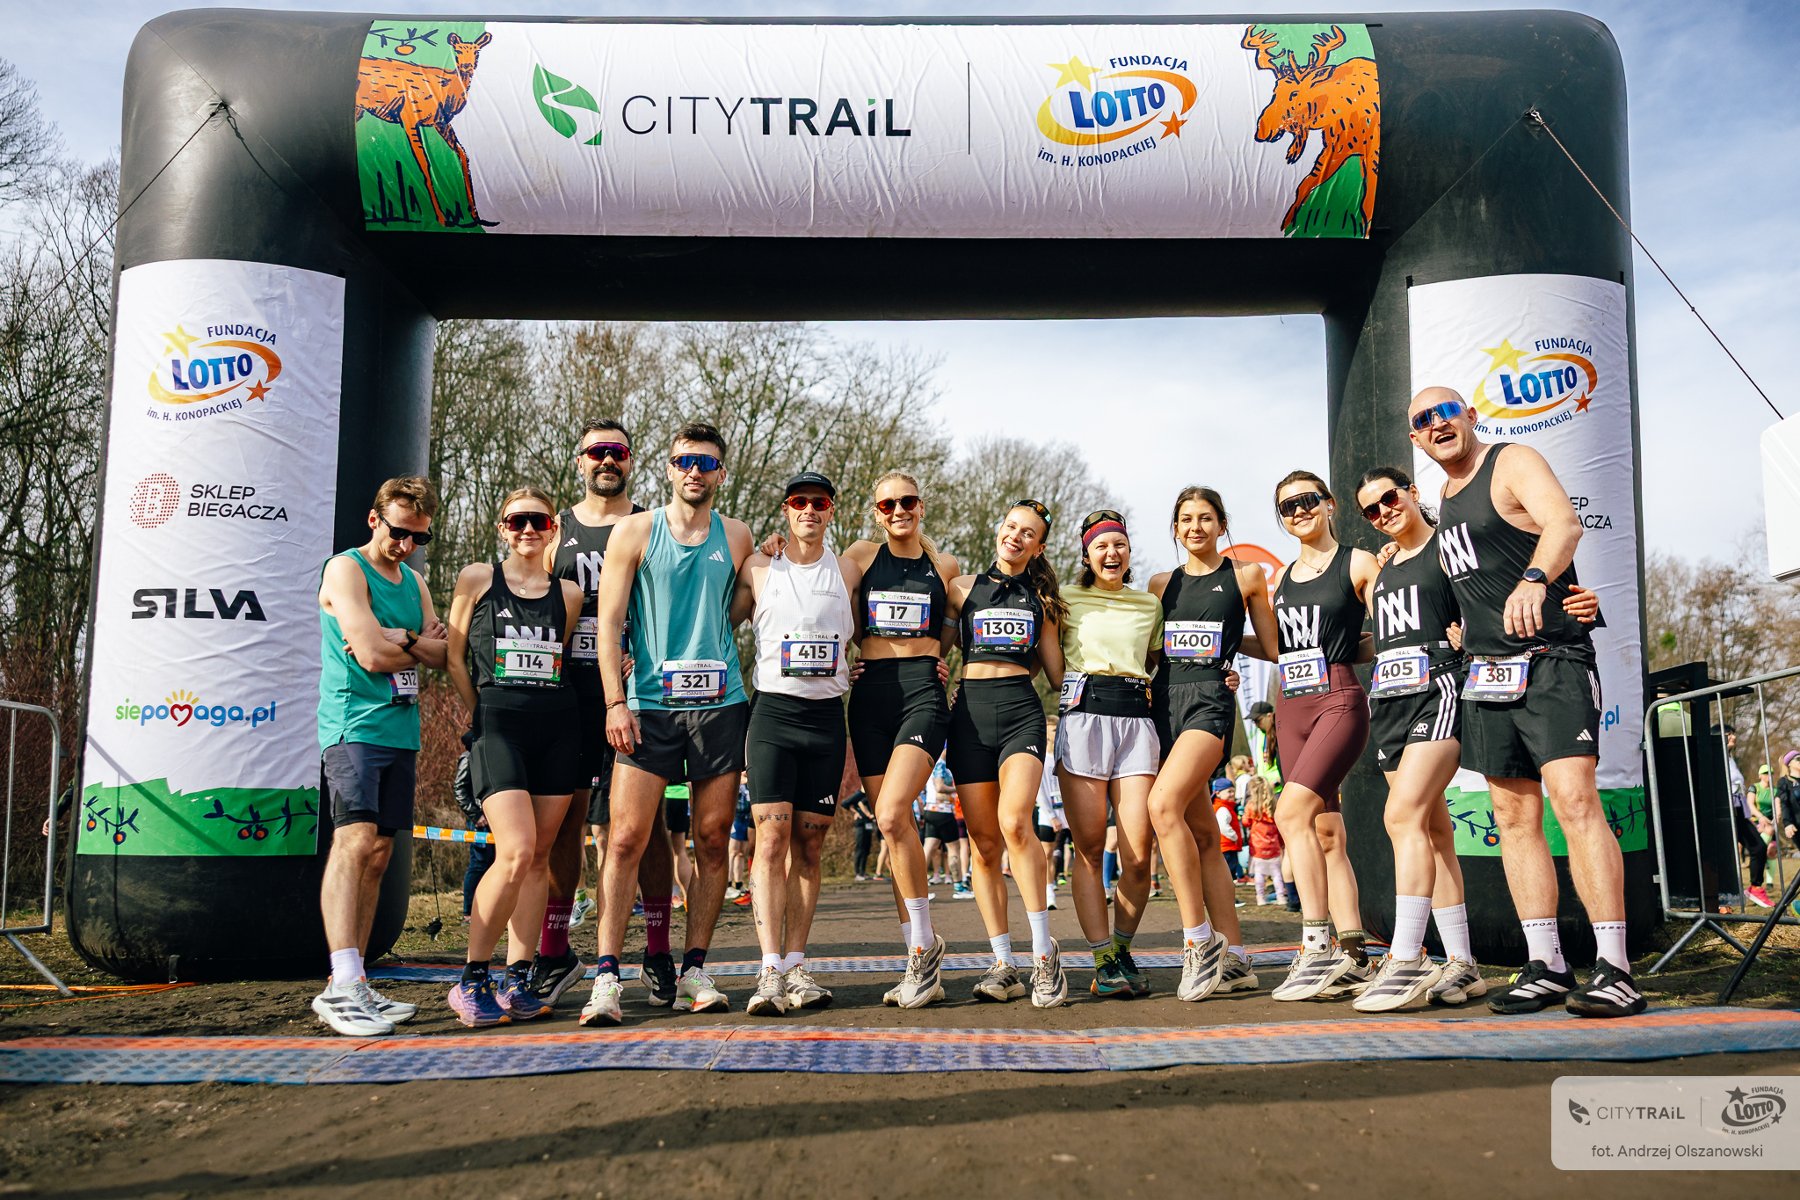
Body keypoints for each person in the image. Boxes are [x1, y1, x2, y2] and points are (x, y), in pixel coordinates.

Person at [1416, 385, 1644, 1017]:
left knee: (1575, 803)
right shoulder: (1442, 497)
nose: (1437, 424)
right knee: (1513, 819)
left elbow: (1564, 523)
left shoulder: (1510, 459)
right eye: (1422, 420)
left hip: (1551, 661)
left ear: (1470, 416)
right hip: (1488, 675)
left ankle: (1616, 968)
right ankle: (1545, 964)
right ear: (1416, 439)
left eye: (1445, 411)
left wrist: (1538, 581)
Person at [1354, 467, 1589, 1010]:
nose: (1384, 511)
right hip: (1389, 698)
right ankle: (1462, 964)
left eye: (1390, 498)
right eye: (1371, 509)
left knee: (1400, 818)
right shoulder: (1384, 567)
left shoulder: (1449, 548)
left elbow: (1500, 588)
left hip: (1438, 688)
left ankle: (1406, 958)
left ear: (1412, 493)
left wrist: (1578, 603)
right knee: (1434, 831)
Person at [580, 421, 754, 1026]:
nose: (694, 472)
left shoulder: (737, 536)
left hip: (719, 702)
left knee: (710, 842)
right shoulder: (634, 531)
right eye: (685, 461)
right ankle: (607, 976)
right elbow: (607, 626)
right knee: (624, 840)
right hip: (648, 705)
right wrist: (614, 703)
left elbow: (739, 610)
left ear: (720, 473)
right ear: (669, 467)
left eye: (706, 463)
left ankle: (695, 968)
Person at [531, 419, 679, 1008]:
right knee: (563, 822)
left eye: (617, 452)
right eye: (597, 452)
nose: (607, 461)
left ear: (631, 462)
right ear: (580, 461)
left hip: (637, 690)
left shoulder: (652, 524)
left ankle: (659, 951)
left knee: (648, 828)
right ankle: (554, 949)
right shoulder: (555, 532)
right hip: (569, 693)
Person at [312, 476, 447, 1036]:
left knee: (381, 853)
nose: (406, 545)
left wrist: (405, 640)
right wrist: (402, 643)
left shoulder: (414, 583)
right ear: (375, 520)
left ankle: (359, 979)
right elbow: (367, 655)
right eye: (398, 532)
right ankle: (340, 984)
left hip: (400, 730)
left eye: (419, 537)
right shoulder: (345, 569)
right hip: (353, 727)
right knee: (355, 841)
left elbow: (445, 652)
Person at [444, 486, 584, 1026]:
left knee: (540, 857)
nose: (528, 529)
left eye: (538, 521)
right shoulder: (478, 579)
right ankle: (472, 978)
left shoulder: (568, 595)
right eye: (517, 520)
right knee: (517, 850)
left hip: (558, 727)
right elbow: (455, 658)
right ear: (502, 527)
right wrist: (484, 713)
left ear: (554, 529)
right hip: (498, 729)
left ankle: (518, 978)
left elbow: (561, 659)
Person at [731, 471, 861, 1015]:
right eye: (800, 502)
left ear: (831, 512)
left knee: (810, 846)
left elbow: (911, 592)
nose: (810, 510)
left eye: (820, 503)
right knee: (771, 839)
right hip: (774, 715)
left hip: (827, 719)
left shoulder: (852, 568)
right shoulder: (760, 567)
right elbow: (710, 621)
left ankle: (798, 965)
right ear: (787, 510)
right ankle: (768, 971)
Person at [1146, 486, 1278, 1002]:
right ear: (1175, 529)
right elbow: (1153, 653)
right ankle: (1239, 959)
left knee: (1163, 805)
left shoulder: (1245, 577)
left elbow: (1267, 646)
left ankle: (1199, 943)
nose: (1195, 526)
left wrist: (1223, 655)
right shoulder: (1161, 583)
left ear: (1222, 525)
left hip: (1209, 706)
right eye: (1185, 519)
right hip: (1163, 704)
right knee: (1203, 837)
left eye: (1205, 518)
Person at [838, 472, 958, 1009]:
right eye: (888, 503)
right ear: (876, 509)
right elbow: (819, 589)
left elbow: (965, 617)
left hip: (921, 695)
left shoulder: (945, 565)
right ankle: (918, 952)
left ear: (921, 506)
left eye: (907, 501)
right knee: (896, 830)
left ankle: (923, 950)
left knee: (890, 814)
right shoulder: (860, 555)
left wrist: (945, 657)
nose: (898, 510)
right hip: (869, 698)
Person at [944, 499, 1071, 1007]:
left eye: (1028, 533)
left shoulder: (1043, 601)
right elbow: (932, 649)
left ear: (1038, 546)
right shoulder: (962, 589)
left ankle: (1044, 954)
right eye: (1011, 526)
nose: (1016, 536)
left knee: (1016, 823)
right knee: (983, 845)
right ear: (999, 530)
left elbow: (1060, 675)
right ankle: (1003, 963)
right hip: (969, 715)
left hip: (1020, 712)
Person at [1267, 470, 1377, 1002]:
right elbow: (1277, 648)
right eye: (1287, 507)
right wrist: (1208, 652)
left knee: (1289, 815)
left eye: (1307, 500)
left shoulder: (1356, 561)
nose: (1298, 512)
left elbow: (1389, 628)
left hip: (1337, 697)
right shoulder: (1281, 578)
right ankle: (1354, 954)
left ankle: (1314, 948)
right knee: (1327, 832)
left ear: (1330, 504)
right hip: (1290, 706)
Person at [1052, 510, 1165, 998]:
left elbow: (1162, 661)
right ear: (1086, 553)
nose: (1111, 553)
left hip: (1137, 721)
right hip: (1085, 719)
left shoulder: (1148, 604)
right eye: (1101, 546)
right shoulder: (1064, 599)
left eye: (1119, 544)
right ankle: (1102, 959)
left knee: (1139, 854)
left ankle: (1120, 948)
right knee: (1090, 848)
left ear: (1129, 552)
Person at [1243, 776, 1285, 905]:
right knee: (1277, 874)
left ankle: (1260, 897)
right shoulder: (1273, 804)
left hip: (1257, 847)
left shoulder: (1251, 806)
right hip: (1273, 845)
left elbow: (1245, 822)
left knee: (1259, 874)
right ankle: (1281, 896)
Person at [1213, 778, 1244, 880]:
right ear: (1218, 793)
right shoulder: (1223, 809)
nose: (1232, 794)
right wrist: (1234, 836)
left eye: (1233, 791)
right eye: (1229, 791)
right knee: (1229, 874)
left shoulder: (1227, 807)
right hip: (1226, 846)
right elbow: (1222, 826)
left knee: (1229, 873)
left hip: (1227, 846)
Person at [848, 787, 877, 880]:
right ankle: (857, 873)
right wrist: (858, 812)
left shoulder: (870, 795)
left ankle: (863, 872)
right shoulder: (859, 796)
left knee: (866, 849)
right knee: (860, 848)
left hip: (868, 825)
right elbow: (847, 804)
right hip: (860, 825)